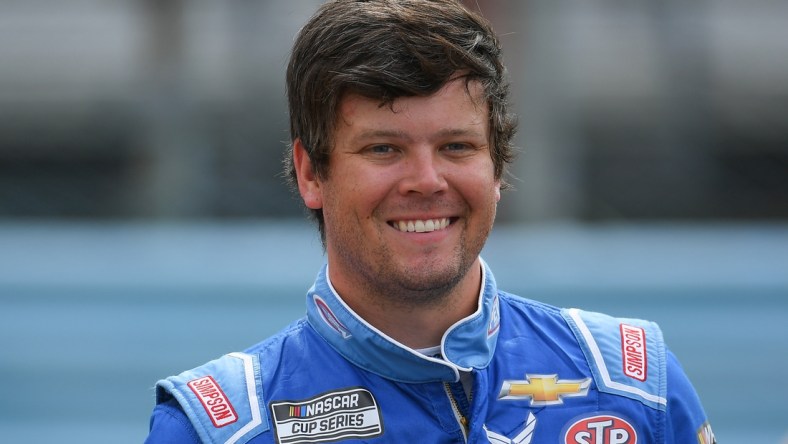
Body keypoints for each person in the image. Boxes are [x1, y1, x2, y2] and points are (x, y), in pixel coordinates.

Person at [145, 1, 715, 443]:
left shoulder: (636, 389)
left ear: (497, 167)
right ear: (311, 173)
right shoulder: (215, 427)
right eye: (384, 150)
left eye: (457, 146)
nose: (427, 180)